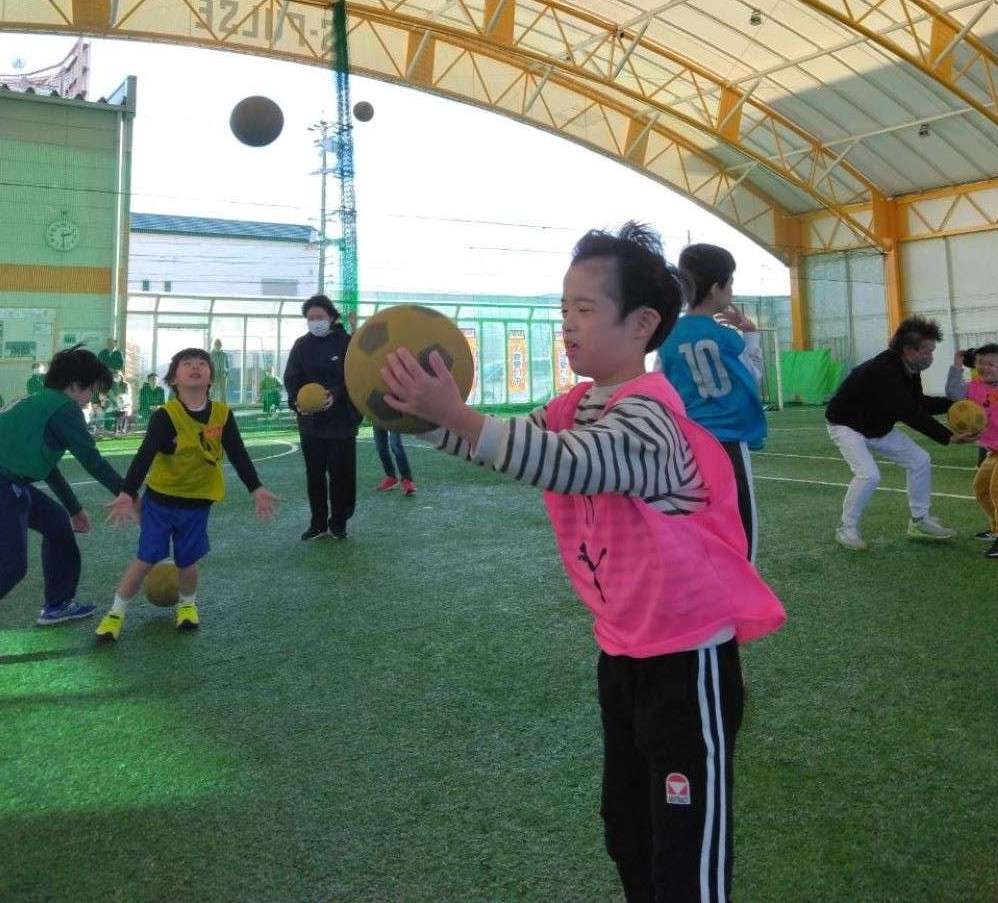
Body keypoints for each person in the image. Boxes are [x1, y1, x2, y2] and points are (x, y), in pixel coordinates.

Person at [381, 222, 786, 902]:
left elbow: (573, 462)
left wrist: (458, 415)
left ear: (642, 323)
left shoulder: (652, 415)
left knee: (685, 852)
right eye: (563, 308)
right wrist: (422, 414)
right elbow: (508, 444)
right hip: (623, 651)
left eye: (585, 309)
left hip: (687, 661)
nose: (567, 323)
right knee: (628, 829)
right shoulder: (577, 405)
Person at [99, 348, 278, 641]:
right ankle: (115, 613)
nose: (195, 367)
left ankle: (187, 605)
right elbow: (144, 456)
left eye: (202, 364)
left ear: (210, 378)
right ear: (174, 379)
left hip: (197, 503)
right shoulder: (165, 416)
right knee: (146, 559)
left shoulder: (222, 415)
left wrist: (256, 488)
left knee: (187, 560)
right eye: (187, 364)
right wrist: (127, 493)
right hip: (160, 501)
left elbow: (238, 454)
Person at [0, 345, 128, 626]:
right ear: (74, 386)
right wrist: (129, 494)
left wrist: (74, 509)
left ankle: (57, 605)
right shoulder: (65, 408)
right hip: (6, 484)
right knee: (11, 565)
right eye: (90, 390)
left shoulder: (40, 401)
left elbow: (47, 467)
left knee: (57, 522)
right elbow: (92, 461)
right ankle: (57, 604)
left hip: (11, 482)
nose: (90, 399)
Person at [825, 315, 976, 550]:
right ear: (908, 350)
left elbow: (918, 402)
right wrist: (948, 436)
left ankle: (919, 521)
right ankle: (847, 528)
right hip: (846, 426)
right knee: (869, 475)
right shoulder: (885, 370)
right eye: (927, 351)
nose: (931, 356)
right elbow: (908, 411)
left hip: (878, 427)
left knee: (920, 460)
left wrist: (954, 404)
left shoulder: (910, 368)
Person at [658, 243, 765, 560]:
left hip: (688, 445)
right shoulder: (727, 338)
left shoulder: (668, 337)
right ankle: (744, 583)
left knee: (694, 521)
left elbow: (660, 384)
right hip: (727, 442)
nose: (731, 289)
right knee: (741, 523)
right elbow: (753, 376)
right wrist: (751, 335)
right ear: (716, 288)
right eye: (730, 282)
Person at [283, 294, 362, 541]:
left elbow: (356, 377)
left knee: (342, 475)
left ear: (331, 317)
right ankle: (317, 523)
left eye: (320, 317)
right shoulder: (301, 345)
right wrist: (297, 402)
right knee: (314, 474)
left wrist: (335, 394)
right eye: (310, 318)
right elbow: (291, 379)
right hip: (311, 424)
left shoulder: (347, 343)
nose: (315, 321)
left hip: (342, 421)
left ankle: (339, 522)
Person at [946, 343, 998, 558]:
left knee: (996, 491)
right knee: (981, 489)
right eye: (980, 363)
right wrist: (957, 365)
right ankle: (996, 528)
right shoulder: (974, 387)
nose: (985, 367)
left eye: (991, 364)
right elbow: (953, 392)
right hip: (993, 451)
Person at [373, 427, 416, 495]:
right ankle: (391, 477)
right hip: (377, 421)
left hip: (394, 421)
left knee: (395, 445)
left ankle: (407, 480)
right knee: (380, 447)